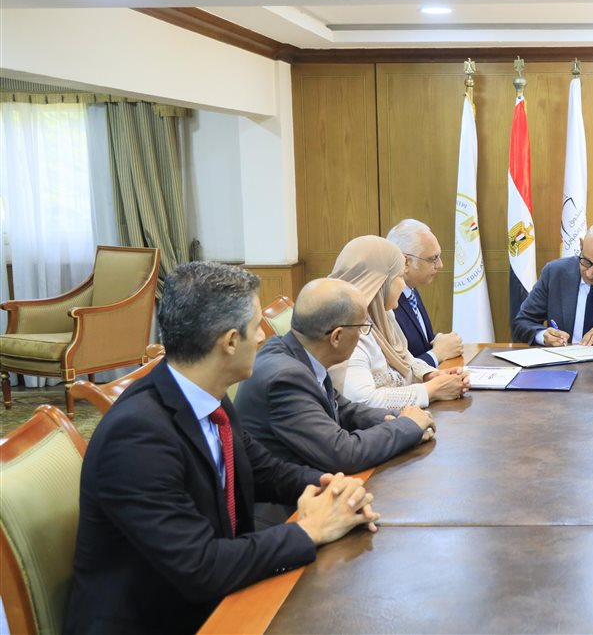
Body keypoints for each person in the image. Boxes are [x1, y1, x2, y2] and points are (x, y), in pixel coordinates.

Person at [66, 262, 379, 634]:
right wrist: (309, 529)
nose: (262, 339)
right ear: (230, 342)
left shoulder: (207, 396)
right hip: (160, 620)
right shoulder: (136, 436)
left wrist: (334, 490)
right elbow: (200, 567)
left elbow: (266, 471)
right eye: (255, 328)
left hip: (212, 595)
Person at [237, 277, 436, 477]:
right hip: (293, 493)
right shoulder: (285, 378)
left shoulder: (295, 351)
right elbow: (343, 454)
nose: (363, 334)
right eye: (362, 327)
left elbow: (343, 409)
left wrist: (398, 419)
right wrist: (407, 426)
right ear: (337, 336)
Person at [327, 235, 469, 410]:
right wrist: (431, 390)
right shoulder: (348, 330)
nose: (403, 286)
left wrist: (430, 376)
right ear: (380, 282)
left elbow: (405, 359)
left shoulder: (384, 315)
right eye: (400, 277)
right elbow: (362, 401)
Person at [386, 219, 464, 366]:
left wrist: (439, 340)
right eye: (433, 259)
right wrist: (437, 354)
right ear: (406, 262)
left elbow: (419, 344)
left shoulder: (411, 289)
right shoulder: (388, 303)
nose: (440, 265)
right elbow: (397, 369)